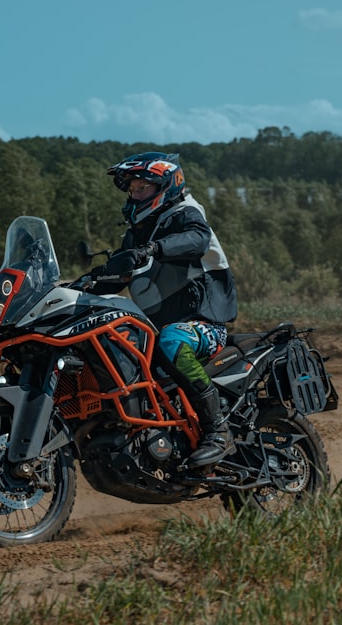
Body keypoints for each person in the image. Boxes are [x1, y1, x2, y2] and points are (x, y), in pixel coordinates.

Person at [84, 152, 238, 468]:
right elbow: (116, 276)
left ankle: (218, 431)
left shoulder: (187, 214)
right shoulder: (137, 234)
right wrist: (76, 289)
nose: (136, 195)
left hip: (204, 325)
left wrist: (154, 249)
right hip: (158, 331)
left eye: (143, 188)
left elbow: (197, 240)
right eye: (133, 190)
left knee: (171, 340)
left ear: (166, 186)